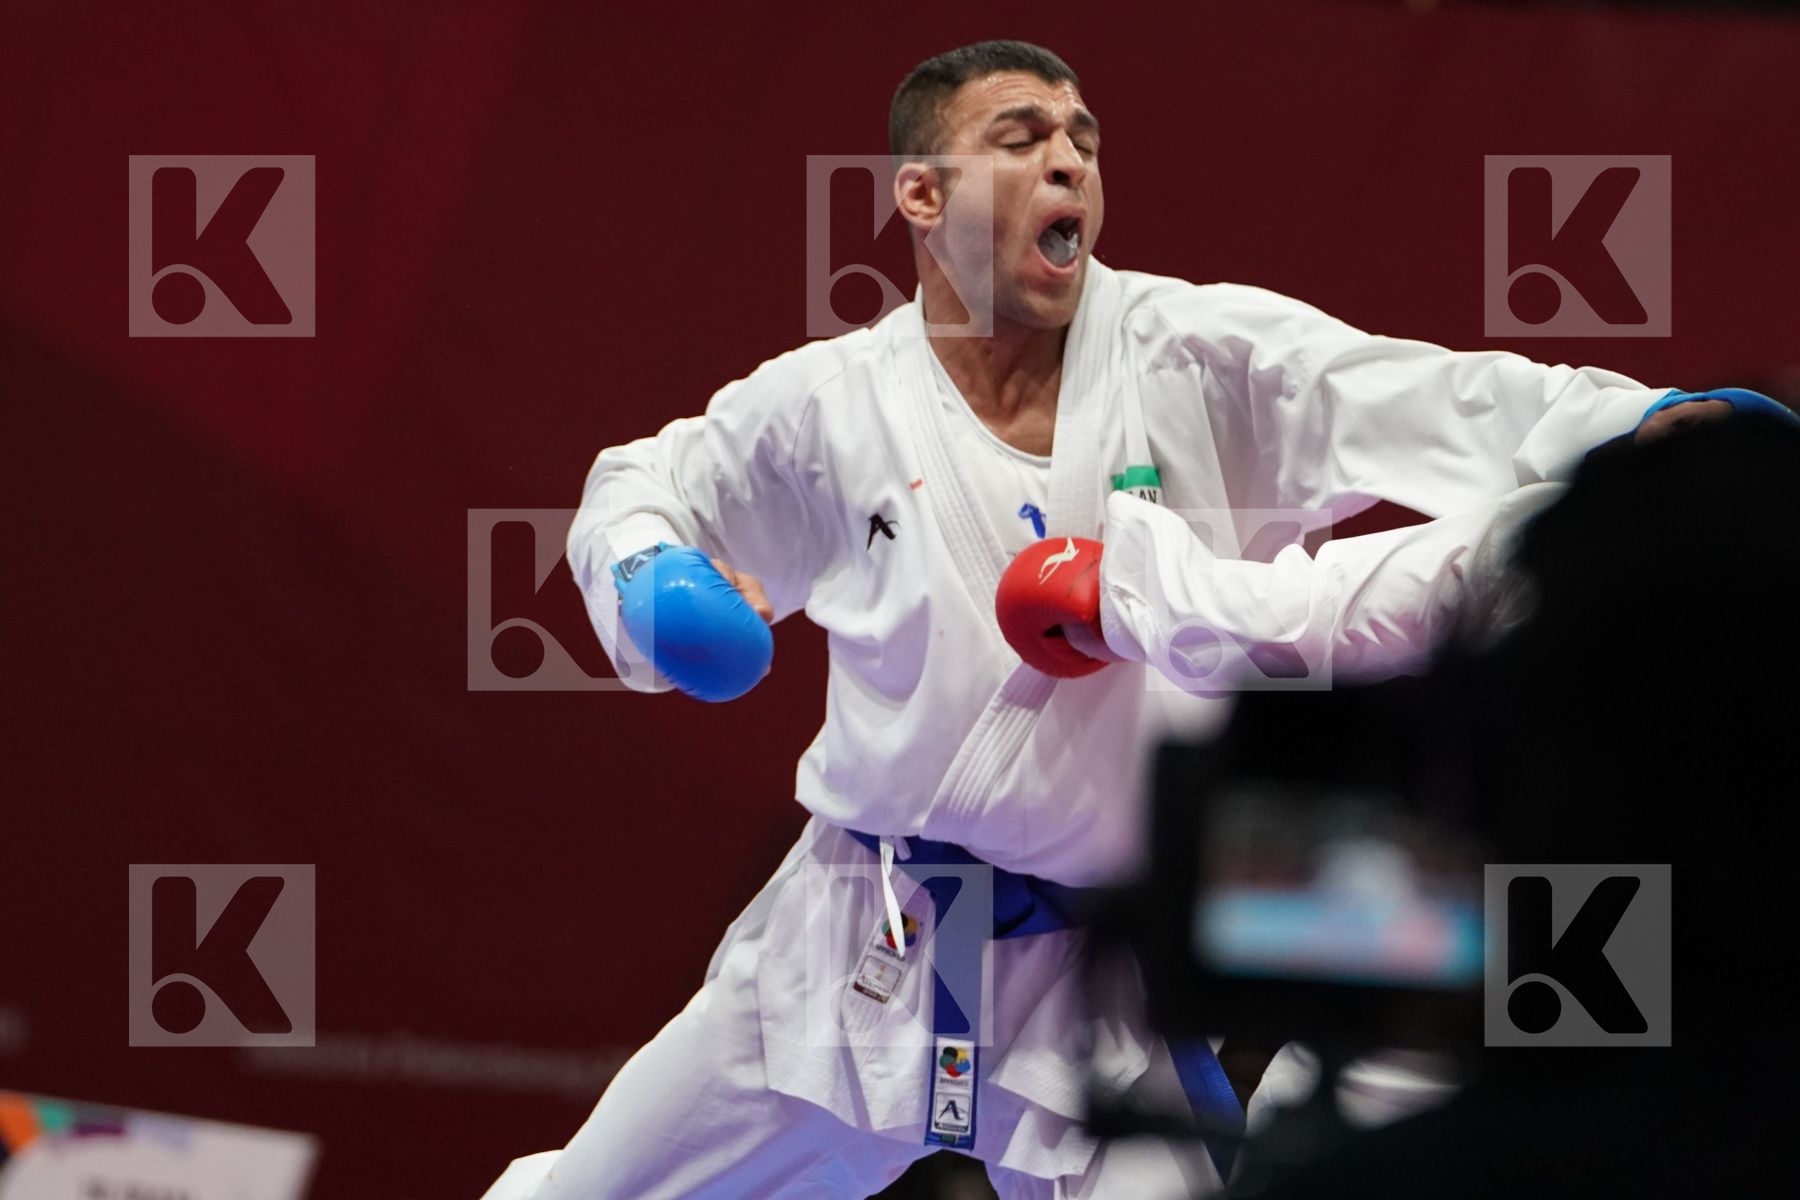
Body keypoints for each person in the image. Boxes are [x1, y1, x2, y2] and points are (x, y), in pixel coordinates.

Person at [483, 39, 1767, 1200]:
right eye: (1024, 135)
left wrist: (1640, 423)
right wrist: (655, 584)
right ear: (921, 195)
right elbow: (645, 487)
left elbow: (1436, 398)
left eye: (1084, 139)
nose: (1070, 161)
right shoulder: (829, 407)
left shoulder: (1201, 352)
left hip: (1100, 968)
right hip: (861, 930)